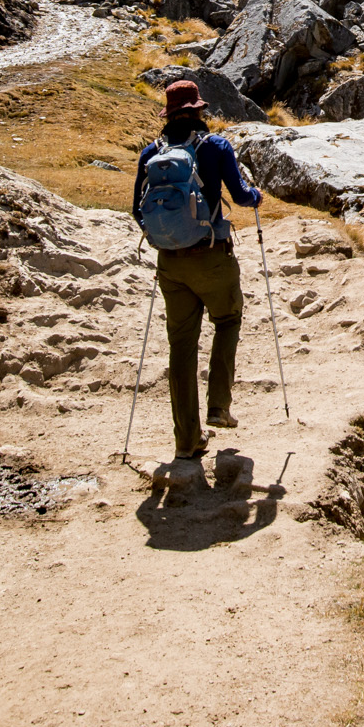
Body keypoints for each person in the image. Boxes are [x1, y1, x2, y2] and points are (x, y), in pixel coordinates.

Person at [130, 79, 264, 466]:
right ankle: (219, 406)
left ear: (169, 114)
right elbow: (240, 197)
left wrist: (165, 236)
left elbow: (137, 210)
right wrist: (256, 196)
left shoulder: (149, 153)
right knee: (227, 319)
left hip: (170, 264)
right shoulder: (216, 146)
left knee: (181, 348)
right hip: (211, 256)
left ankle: (186, 440)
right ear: (199, 111)